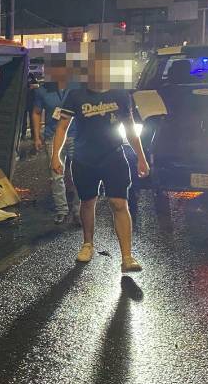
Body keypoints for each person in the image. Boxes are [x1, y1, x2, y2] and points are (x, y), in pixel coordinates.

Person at [50, 56, 149, 272]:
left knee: (119, 204)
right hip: (84, 159)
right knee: (88, 202)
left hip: (113, 156)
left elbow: (130, 128)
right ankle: (88, 244)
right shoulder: (76, 96)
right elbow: (61, 128)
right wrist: (55, 155)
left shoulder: (121, 96)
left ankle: (127, 257)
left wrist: (141, 156)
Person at [32, 62, 78, 224]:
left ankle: (79, 210)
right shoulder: (43, 90)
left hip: (76, 135)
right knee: (56, 174)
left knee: (78, 174)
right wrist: (37, 136)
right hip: (53, 136)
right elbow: (37, 112)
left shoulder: (77, 88)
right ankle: (62, 210)